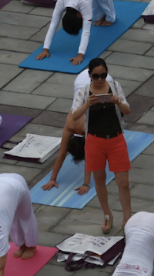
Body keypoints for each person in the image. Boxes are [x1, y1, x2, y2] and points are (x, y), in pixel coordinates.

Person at [69, 57, 133, 233]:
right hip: (95, 141)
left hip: (116, 138)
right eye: (96, 76)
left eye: (103, 75)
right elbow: (74, 115)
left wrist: (117, 102)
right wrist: (86, 105)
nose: (100, 79)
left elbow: (127, 110)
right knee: (99, 179)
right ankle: (107, 214)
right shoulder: (83, 91)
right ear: (90, 75)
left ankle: (127, 217)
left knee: (124, 182)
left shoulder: (115, 86)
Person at [41, 65, 125, 195]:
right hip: (82, 78)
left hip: (99, 81)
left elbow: (69, 156)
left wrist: (54, 179)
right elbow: (65, 155)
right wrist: (53, 179)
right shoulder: (70, 126)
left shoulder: (84, 129)